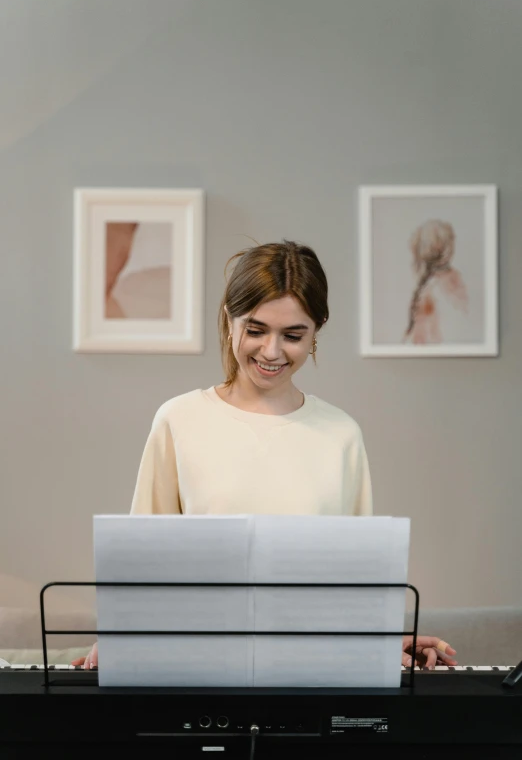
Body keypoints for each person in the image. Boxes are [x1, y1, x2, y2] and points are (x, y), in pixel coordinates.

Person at [73, 240, 457, 671]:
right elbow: (142, 562)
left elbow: (356, 582)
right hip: (198, 663)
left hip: (311, 668)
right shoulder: (179, 419)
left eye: (293, 335)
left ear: (317, 329)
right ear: (228, 319)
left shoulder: (341, 434)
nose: (272, 352)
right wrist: (122, 638)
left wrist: (383, 642)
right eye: (255, 330)